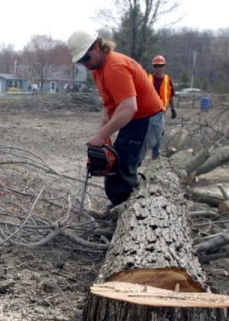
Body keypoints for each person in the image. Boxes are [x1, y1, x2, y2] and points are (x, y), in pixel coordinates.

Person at [68, 30, 165, 207]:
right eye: (80, 61)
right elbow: (110, 103)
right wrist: (103, 132)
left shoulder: (115, 67)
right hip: (135, 119)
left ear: (97, 47)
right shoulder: (98, 69)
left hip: (147, 119)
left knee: (124, 165)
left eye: (86, 58)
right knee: (117, 162)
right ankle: (123, 206)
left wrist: (99, 137)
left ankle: (128, 210)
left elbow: (129, 107)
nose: (84, 64)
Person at [147, 55, 176, 159]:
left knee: (159, 133)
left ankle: (155, 156)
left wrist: (173, 109)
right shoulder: (148, 78)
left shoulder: (168, 79)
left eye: (160, 66)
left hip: (161, 112)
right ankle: (144, 155)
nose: (158, 68)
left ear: (164, 66)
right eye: (156, 66)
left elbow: (170, 95)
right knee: (148, 133)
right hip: (148, 111)